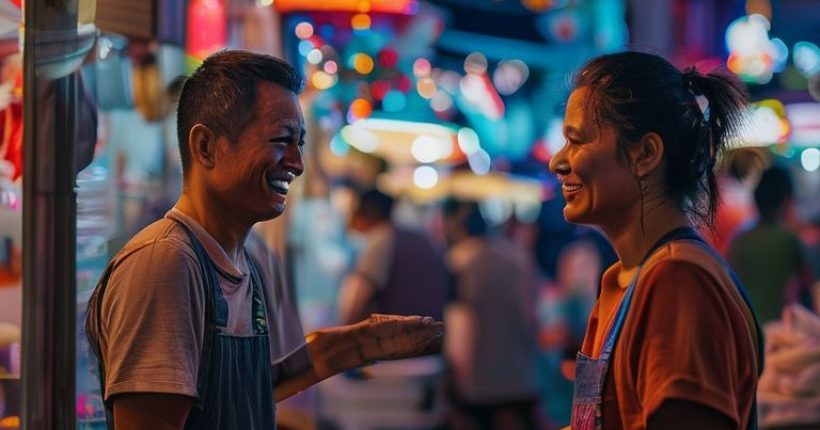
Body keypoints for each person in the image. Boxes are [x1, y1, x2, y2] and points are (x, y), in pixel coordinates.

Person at [85, 50, 443, 430]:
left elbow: (240, 390)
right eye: (280, 140)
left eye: (299, 143)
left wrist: (358, 345)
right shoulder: (166, 264)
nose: (297, 162)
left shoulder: (243, 265)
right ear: (206, 146)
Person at [547, 52, 762, 430]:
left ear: (645, 154)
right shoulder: (623, 280)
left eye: (575, 141)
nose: (557, 162)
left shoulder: (677, 281)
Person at [441, 199, 540, 430]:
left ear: (458, 226)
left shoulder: (457, 260)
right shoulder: (517, 256)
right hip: (522, 373)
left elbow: (458, 323)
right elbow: (533, 314)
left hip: (478, 376)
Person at [338, 187, 452, 324]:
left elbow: (356, 300)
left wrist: (342, 332)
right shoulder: (419, 239)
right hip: (427, 333)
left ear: (368, 212)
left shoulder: (382, 237)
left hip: (393, 336)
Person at [728, 165, 816, 324]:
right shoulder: (789, 239)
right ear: (787, 200)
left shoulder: (740, 240)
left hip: (749, 327)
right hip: (782, 330)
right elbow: (812, 283)